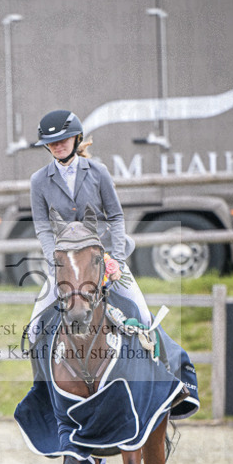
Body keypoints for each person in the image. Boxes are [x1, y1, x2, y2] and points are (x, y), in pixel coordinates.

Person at [27, 108, 152, 340]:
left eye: (62, 140)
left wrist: (118, 260)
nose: (57, 146)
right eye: (51, 143)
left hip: (104, 257)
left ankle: (161, 364)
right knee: (34, 330)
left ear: (77, 138)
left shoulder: (98, 172)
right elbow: (43, 227)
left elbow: (115, 216)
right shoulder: (39, 181)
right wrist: (53, 261)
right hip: (67, 262)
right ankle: (43, 376)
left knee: (144, 316)